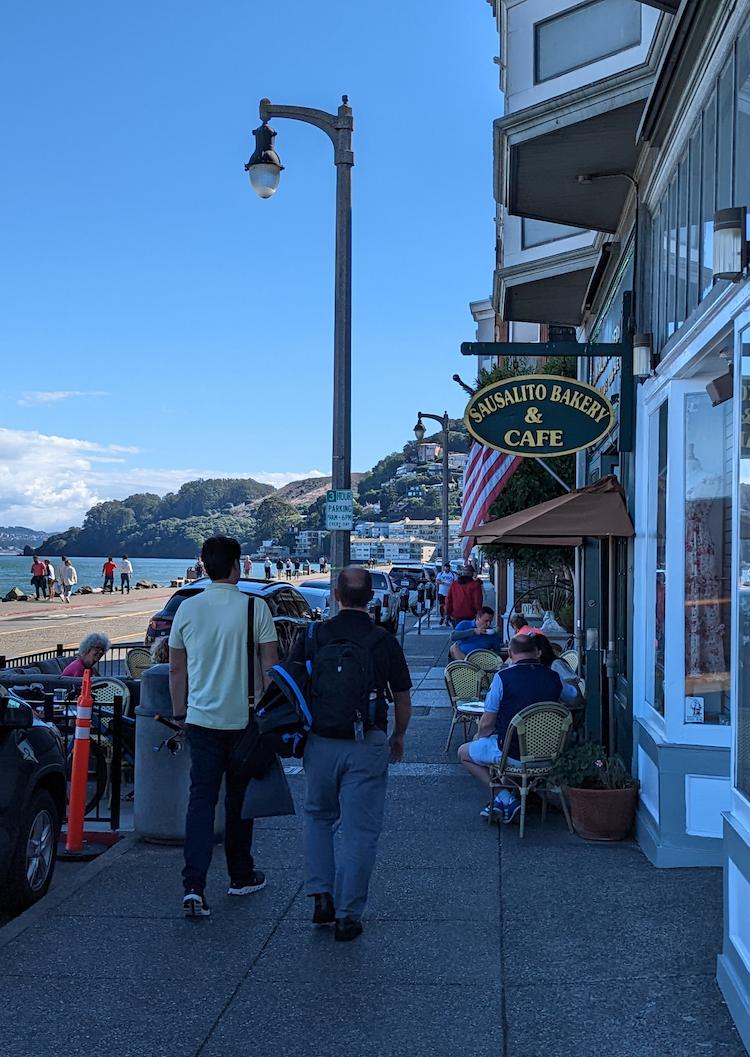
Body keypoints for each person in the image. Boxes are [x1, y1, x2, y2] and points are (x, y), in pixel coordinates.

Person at [292, 566, 412, 942]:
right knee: (360, 832)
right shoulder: (383, 640)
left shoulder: (313, 635)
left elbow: (290, 687)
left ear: (337, 596)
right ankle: (348, 915)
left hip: (320, 741)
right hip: (366, 742)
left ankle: (320, 897)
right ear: (370, 599)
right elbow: (404, 698)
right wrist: (398, 735)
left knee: (318, 818)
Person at [168, 535, 279, 919]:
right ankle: (240, 874)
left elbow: (176, 669)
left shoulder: (187, 608)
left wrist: (180, 715)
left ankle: (193, 886)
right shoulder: (255, 608)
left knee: (201, 802)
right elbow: (270, 669)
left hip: (199, 721)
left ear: (204, 565)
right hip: (245, 721)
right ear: (237, 565)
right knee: (237, 801)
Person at [457, 634, 579, 821]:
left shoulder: (503, 678)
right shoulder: (553, 677)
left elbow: (487, 723)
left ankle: (504, 797)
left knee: (464, 752)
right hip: (549, 754)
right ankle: (504, 801)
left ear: (511, 653)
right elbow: (575, 698)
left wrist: (479, 737)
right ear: (537, 652)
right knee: (496, 747)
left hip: (513, 754)